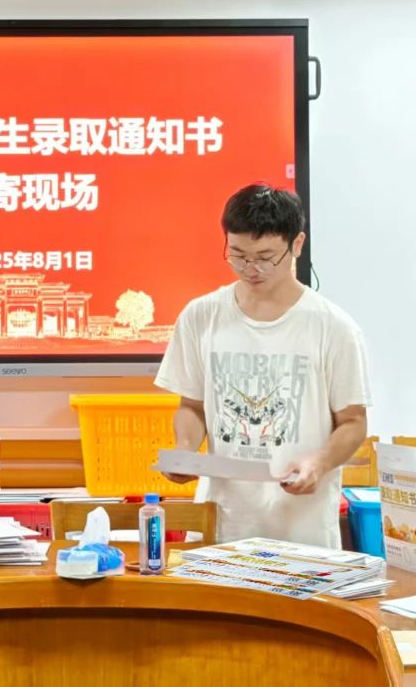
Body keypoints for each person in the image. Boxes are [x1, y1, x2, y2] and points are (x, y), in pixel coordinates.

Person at [156, 183, 370, 546]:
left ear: (296, 244)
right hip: (222, 523)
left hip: (303, 528)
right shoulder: (201, 315)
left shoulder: (333, 326)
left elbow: (353, 422)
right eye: (238, 255)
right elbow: (192, 406)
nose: (250, 268)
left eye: (265, 256)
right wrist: (185, 450)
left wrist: (319, 462)